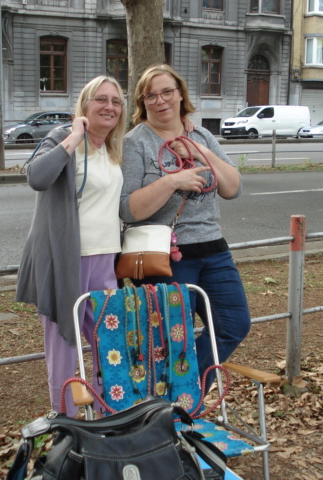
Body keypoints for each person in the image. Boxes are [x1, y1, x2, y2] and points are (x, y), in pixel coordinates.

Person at [119, 64, 251, 391]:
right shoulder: (136, 142)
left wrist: (199, 150)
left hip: (214, 250)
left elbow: (233, 188)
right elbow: (127, 209)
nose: (160, 100)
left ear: (180, 95)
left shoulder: (202, 134)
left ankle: (186, 392)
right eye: (151, 95)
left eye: (167, 92)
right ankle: (171, 412)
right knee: (170, 340)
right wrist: (172, 181)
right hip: (167, 258)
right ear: (142, 102)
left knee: (234, 324)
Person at [16, 76, 126, 416]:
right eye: (101, 99)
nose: (109, 106)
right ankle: (65, 422)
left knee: (110, 344)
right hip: (67, 258)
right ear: (85, 105)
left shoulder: (113, 149)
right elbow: (36, 177)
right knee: (64, 347)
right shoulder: (64, 137)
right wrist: (74, 137)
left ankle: (110, 416)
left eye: (116, 101)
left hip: (105, 260)